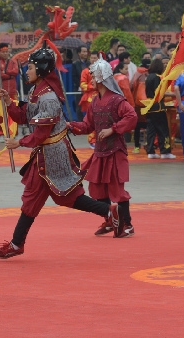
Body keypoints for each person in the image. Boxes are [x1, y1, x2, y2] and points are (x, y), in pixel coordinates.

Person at [0, 47, 121, 259]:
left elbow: (41, 133)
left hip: (53, 154)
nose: (27, 71)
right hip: (45, 153)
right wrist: (8, 102)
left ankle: (16, 244)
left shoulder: (48, 98)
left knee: (60, 197)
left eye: (31, 67)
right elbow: (25, 116)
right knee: (50, 197)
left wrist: (19, 142)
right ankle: (107, 211)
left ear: (41, 69)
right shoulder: (37, 91)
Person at [69, 58, 139, 237]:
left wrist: (112, 129)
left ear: (100, 77)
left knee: (117, 190)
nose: (91, 79)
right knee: (97, 188)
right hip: (100, 152)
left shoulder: (117, 100)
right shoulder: (94, 101)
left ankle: (127, 225)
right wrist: (70, 126)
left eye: (93, 76)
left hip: (115, 151)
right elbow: (88, 125)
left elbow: (132, 117)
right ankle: (111, 220)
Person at [144, 58, 174, 159]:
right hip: (158, 106)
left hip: (149, 105)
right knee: (163, 129)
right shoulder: (157, 77)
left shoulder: (148, 77)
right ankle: (165, 151)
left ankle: (150, 151)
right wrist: (173, 94)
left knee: (151, 129)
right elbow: (159, 93)